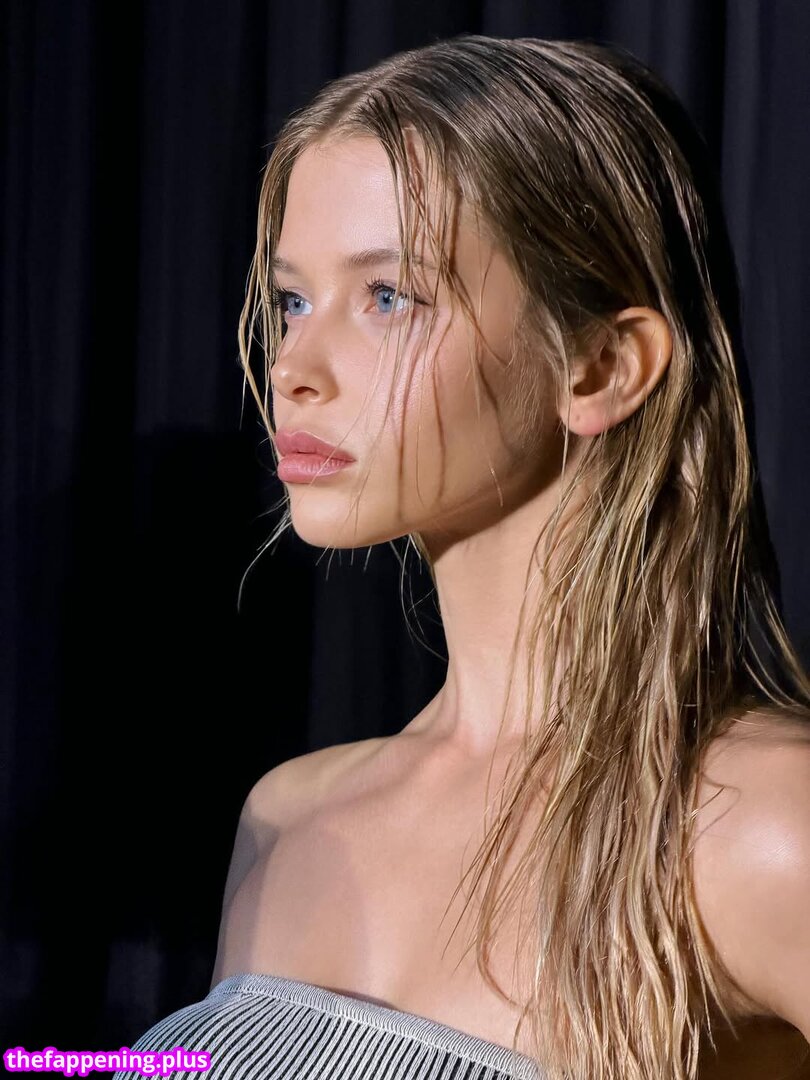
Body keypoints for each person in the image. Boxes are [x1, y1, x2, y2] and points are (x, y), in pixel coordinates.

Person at [112, 33, 810, 1080]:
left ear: (601, 366)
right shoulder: (287, 820)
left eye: (389, 296)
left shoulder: (759, 827)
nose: (293, 366)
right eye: (292, 300)